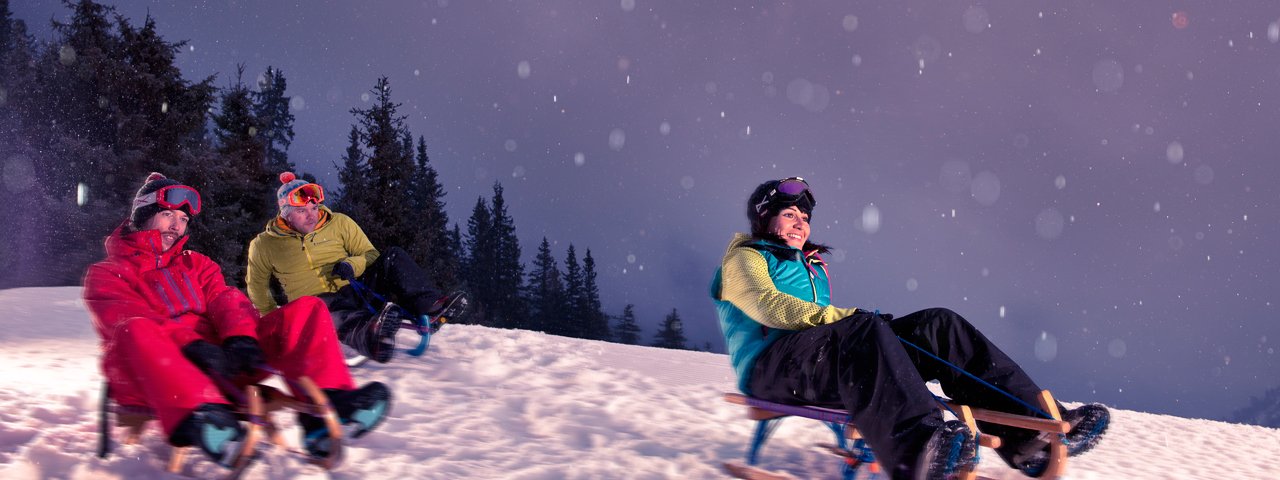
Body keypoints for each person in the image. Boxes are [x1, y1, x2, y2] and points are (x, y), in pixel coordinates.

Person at [710, 177, 1109, 480]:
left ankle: (1030, 436)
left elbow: (832, 329)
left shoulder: (808, 264)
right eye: (789, 214)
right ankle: (921, 449)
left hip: (816, 360)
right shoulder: (744, 258)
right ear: (765, 218)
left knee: (939, 325)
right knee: (861, 326)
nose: (800, 224)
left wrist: (865, 327)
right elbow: (770, 306)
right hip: (770, 369)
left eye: (804, 218)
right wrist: (850, 321)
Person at [83, 173, 392, 464]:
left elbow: (226, 300)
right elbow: (128, 319)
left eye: (183, 219)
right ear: (143, 214)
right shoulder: (107, 274)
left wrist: (240, 337)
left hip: (222, 362)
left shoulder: (197, 264)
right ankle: (210, 424)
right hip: (152, 374)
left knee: (308, 309)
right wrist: (191, 346)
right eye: (168, 215)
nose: (177, 226)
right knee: (134, 329)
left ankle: (330, 410)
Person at [246, 172, 461, 364]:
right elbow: (257, 287)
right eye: (302, 211)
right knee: (324, 309)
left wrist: (351, 265)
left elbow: (371, 255)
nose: (312, 214)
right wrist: (273, 320)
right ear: (285, 213)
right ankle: (375, 338)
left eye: (314, 207)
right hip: (317, 306)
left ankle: (430, 307)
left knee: (392, 256)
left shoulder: (339, 223)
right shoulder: (264, 245)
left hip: (355, 288)